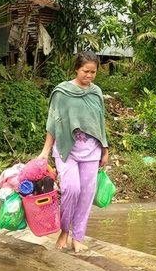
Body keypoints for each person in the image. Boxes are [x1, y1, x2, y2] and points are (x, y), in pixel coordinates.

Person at [36, 51, 109, 253]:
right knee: (71, 189)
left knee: (86, 194)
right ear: (76, 68)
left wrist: (105, 149)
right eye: (86, 71)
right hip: (66, 149)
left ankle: (78, 236)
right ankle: (63, 231)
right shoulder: (62, 92)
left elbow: (100, 123)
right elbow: (53, 123)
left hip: (92, 150)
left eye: (93, 72)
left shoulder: (96, 93)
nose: (89, 75)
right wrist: (45, 151)